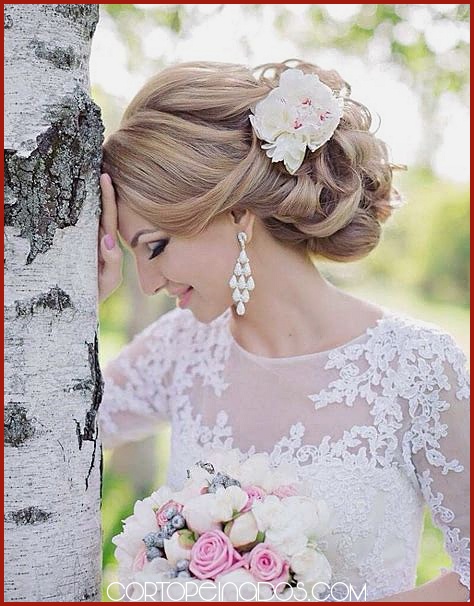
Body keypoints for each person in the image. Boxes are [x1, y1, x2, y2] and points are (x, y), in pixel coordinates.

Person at [97, 59, 469, 601]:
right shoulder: (179, 351)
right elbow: (39, 436)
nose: (149, 282)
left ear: (238, 215)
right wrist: (80, 300)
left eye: (155, 247)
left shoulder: (417, 368)